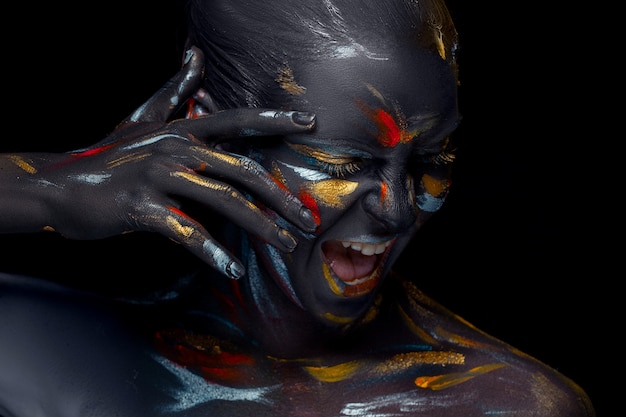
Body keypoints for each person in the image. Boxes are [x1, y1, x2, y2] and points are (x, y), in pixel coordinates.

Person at [0, 0, 595, 415]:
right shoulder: (44, 346)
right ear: (209, 131)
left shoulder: (503, 403)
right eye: (342, 164)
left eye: (431, 159)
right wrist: (41, 189)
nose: (395, 210)